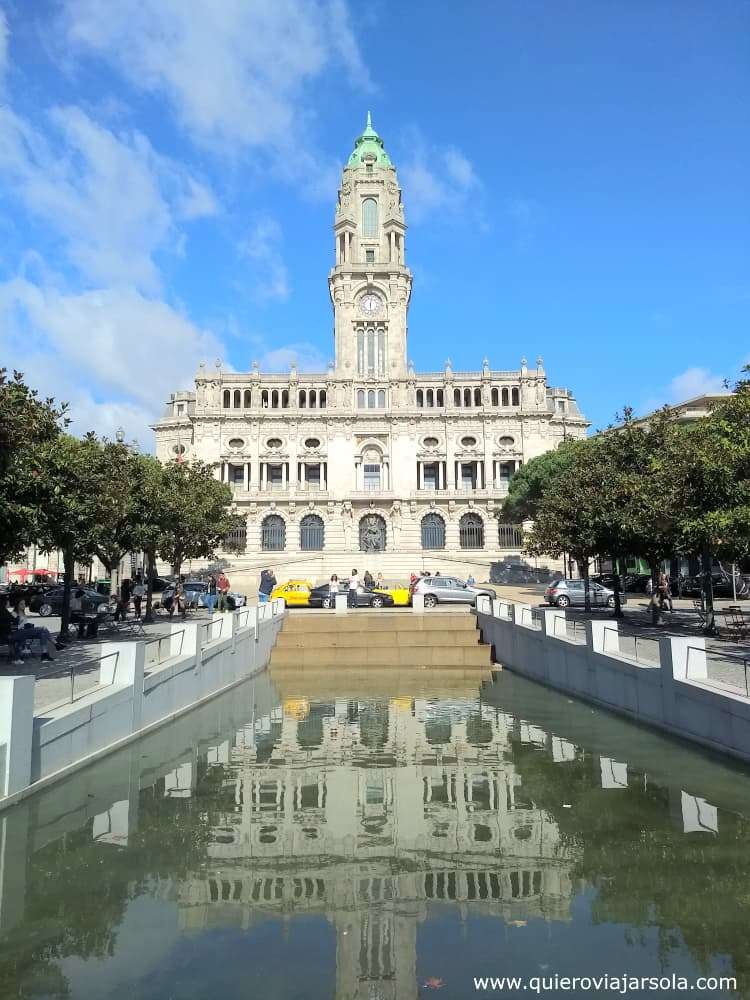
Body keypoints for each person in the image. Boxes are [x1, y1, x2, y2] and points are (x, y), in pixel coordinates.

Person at [10, 598, 60, 663]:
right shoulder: (14, 613)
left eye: (24, 604)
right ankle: (56, 644)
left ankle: (44, 654)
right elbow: (15, 625)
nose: (23, 605)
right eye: (21, 604)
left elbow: (24, 624)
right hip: (20, 632)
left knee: (43, 634)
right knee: (43, 628)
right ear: (17, 605)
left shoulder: (23, 612)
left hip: (27, 631)